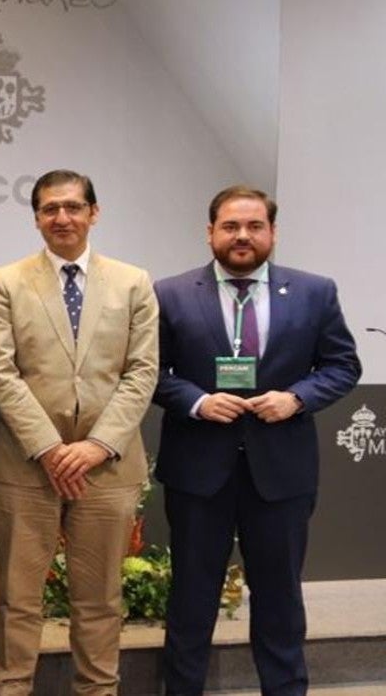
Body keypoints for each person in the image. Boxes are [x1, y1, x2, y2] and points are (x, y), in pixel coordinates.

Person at [153, 186, 360, 696]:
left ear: (272, 232)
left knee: (280, 600)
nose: (242, 236)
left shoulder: (315, 291)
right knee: (191, 599)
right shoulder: (169, 293)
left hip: (281, 472)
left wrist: (296, 397)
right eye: (230, 226)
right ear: (210, 232)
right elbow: (147, 372)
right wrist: (198, 401)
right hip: (199, 472)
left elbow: (342, 365)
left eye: (254, 226)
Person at [0, 169, 158, 694]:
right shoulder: (5, 282)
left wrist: (97, 445)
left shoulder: (133, 282)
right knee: (17, 598)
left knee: (99, 599)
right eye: (50, 209)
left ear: (93, 213)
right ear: (36, 218)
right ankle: (10, 688)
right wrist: (52, 448)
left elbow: (142, 370)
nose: (62, 218)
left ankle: (97, 690)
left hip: (108, 466)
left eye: (73, 207)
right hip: (25, 462)